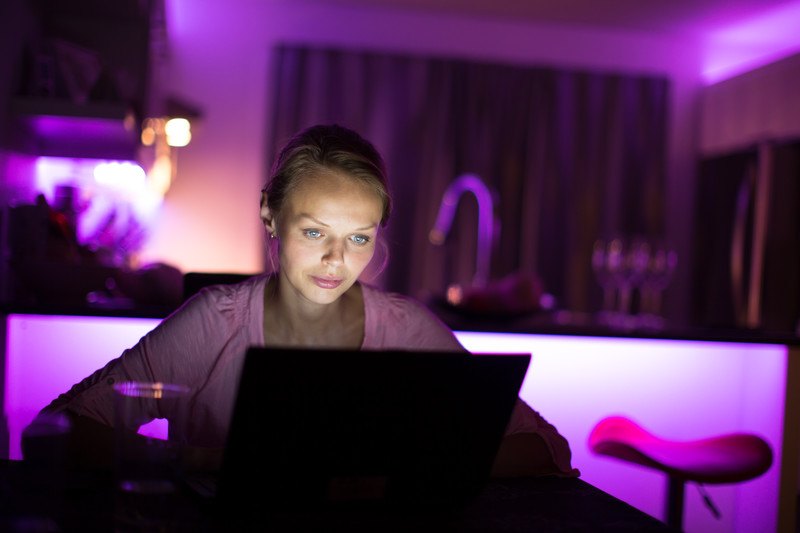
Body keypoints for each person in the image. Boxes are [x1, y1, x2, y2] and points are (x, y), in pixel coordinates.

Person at [23, 124, 578, 479]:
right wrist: (200, 462)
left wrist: (402, 470)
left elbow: (547, 448)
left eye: (358, 238)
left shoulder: (407, 331)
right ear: (270, 214)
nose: (337, 261)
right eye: (315, 232)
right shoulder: (213, 326)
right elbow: (54, 429)